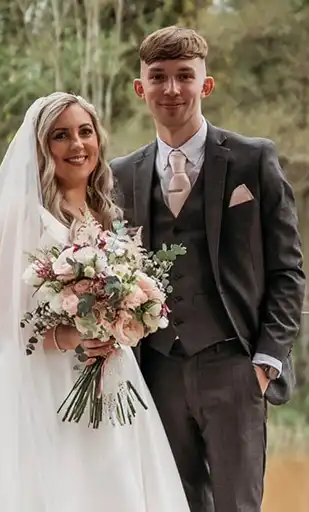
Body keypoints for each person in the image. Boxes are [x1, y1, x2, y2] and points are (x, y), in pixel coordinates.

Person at [0, 92, 190, 512]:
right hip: (39, 387)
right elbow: (3, 320)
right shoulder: (21, 216)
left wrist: (126, 317)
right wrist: (74, 339)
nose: (77, 144)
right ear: (41, 148)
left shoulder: (103, 213)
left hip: (107, 379)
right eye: (60, 136)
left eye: (85, 131)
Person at [110, 26, 306, 512]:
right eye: (158, 77)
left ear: (206, 84)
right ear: (141, 88)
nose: (171, 89)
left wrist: (265, 361)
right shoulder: (120, 175)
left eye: (184, 76)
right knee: (174, 503)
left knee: (239, 506)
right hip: (156, 371)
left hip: (234, 366)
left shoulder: (252, 160)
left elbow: (289, 271)